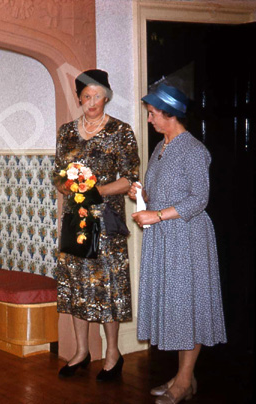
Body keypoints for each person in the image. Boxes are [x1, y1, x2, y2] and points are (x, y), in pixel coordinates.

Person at [128, 83, 226, 403]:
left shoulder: (194, 150)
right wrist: (141, 195)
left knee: (188, 307)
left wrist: (157, 216)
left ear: (171, 115)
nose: (149, 119)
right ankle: (183, 376)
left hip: (187, 237)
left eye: (153, 114)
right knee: (175, 306)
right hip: (164, 238)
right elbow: (159, 193)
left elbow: (199, 199)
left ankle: (184, 381)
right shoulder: (160, 147)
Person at [54, 69, 140, 380]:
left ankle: (113, 354)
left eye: (98, 95)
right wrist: (69, 188)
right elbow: (59, 174)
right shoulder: (66, 132)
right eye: (87, 96)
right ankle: (81, 351)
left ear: (107, 97)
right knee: (78, 285)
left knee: (109, 288)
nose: (92, 102)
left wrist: (96, 192)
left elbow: (131, 177)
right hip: (75, 220)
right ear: (79, 98)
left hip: (107, 222)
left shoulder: (121, 131)